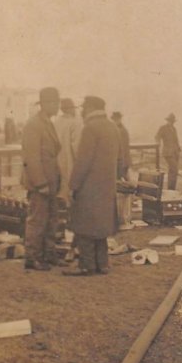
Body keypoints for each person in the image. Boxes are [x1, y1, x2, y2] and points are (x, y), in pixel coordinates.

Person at [64, 96, 122, 276]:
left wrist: (73, 185)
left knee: (85, 226)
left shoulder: (90, 128)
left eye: (84, 107)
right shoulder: (112, 127)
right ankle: (102, 264)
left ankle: (86, 265)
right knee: (101, 226)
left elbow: (83, 161)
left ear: (90, 107)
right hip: (107, 185)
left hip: (89, 185)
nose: (81, 111)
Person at [21, 87, 63, 271]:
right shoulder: (34, 124)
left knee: (51, 219)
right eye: (55, 102)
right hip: (42, 183)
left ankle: (48, 253)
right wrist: (40, 183)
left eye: (58, 101)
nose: (58, 105)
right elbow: (32, 157)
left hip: (51, 180)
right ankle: (33, 257)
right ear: (45, 104)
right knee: (38, 220)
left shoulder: (47, 123)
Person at [53, 98, 83, 204]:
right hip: (70, 163)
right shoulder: (75, 123)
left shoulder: (56, 122)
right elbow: (77, 147)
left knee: (60, 192)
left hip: (57, 163)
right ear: (71, 109)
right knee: (70, 194)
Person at [155, 112, 181, 190]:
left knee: (173, 171)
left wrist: (178, 149)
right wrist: (158, 143)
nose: (171, 122)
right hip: (168, 153)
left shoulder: (174, 129)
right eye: (170, 120)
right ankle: (171, 189)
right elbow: (157, 137)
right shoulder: (163, 128)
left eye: (172, 121)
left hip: (175, 153)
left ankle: (172, 189)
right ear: (168, 120)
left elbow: (176, 140)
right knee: (174, 169)